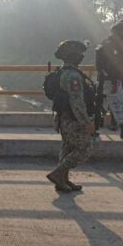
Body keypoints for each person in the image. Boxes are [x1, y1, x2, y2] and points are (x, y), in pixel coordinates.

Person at [46, 41, 95, 192]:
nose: (81, 57)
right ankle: (58, 174)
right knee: (84, 149)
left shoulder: (62, 71)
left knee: (67, 148)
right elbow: (77, 101)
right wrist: (86, 122)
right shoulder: (73, 76)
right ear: (74, 56)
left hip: (63, 118)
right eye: (79, 54)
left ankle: (63, 180)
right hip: (73, 119)